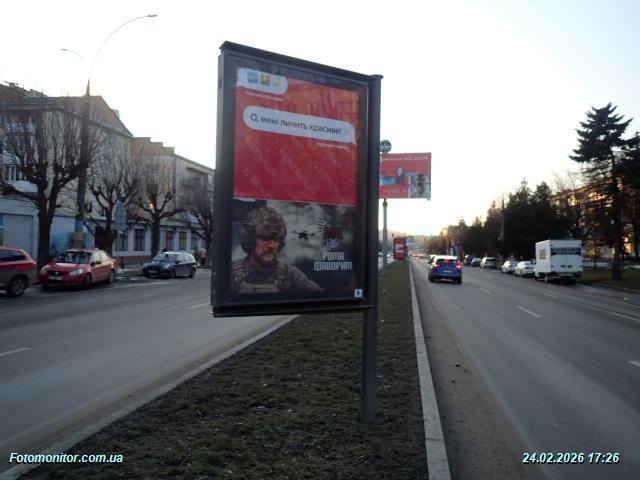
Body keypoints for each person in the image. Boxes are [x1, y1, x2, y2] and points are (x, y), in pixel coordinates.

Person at [231, 206, 323, 294]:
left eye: (276, 239)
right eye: (265, 238)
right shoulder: (231, 274)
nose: (272, 245)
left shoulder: (290, 275)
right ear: (250, 240)